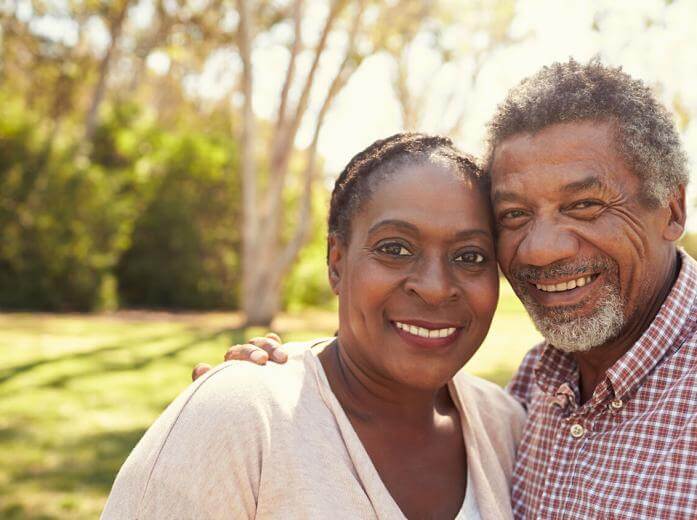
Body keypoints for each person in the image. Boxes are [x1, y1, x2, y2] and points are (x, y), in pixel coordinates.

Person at [215, 60, 696, 519]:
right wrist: (273, 385)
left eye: (585, 204)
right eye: (514, 215)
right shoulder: (529, 394)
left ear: (672, 210)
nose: (541, 251)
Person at [102, 134, 527, 519]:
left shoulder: (506, 427)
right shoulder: (243, 420)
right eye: (395, 248)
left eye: (470, 256)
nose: (435, 289)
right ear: (337, 262)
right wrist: (225, 399)